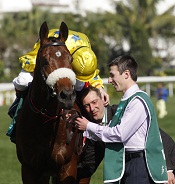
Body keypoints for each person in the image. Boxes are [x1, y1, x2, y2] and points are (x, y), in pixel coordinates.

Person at [75, 55, 168, 184]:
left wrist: (89, 126)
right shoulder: (127, 101)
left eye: (112, 75)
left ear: (126, 74)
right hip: (128, 164)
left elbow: (119, 134)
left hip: (138, 166)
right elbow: (109, 132)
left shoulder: (137, 101)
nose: (109, 80)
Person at [7, 29, 109, 141]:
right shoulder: (65, 46)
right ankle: (16, 119)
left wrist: (99, 86)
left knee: (79, 86)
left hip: (67, 59)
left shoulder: (85, 50)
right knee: (22, 82)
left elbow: (91, 72)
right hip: (43, 55)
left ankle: (88, 132)